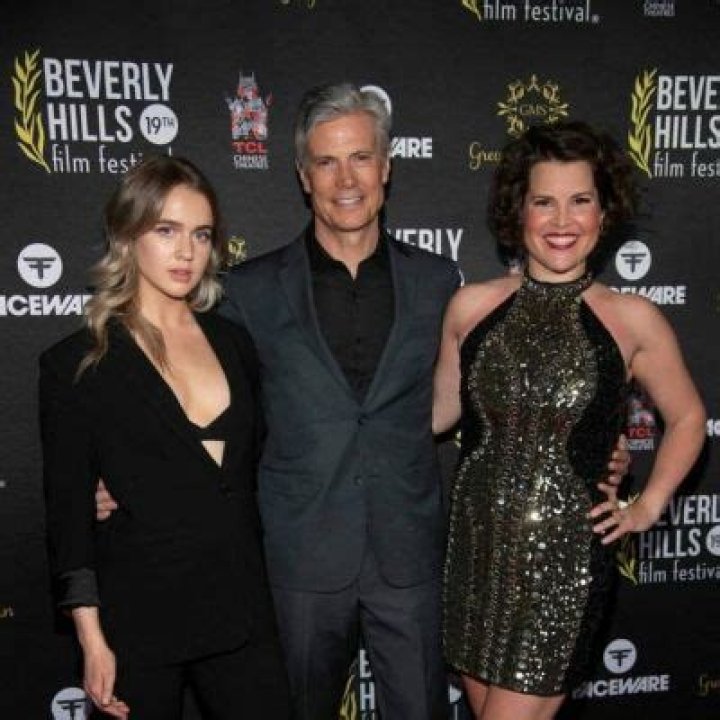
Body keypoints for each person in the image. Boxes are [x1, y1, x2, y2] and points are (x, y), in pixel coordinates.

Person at [97, 88, 630, 719]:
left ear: (387, 167)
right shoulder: (249, 290)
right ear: (303, 175)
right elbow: (194, 392)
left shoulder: (440, 283)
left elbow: (501, 388)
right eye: (326, 162)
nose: (346, 180)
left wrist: (595, 444)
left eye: (361, 158)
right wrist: (129, 471)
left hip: (412, 559)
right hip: (299, 561)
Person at [433, 121, 706, 720]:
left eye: (580, 200)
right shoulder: (470, 307)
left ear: (604, 213)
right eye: (544, 202)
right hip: (474, 555)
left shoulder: (632, 318)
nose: (562, 221)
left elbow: (688, 417)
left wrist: (647, 505)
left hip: (563, 566)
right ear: (519, 212)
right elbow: (437, 413)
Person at [40, 156, 290, 719]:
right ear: (129, 236)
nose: (186, 252)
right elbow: (67, 523)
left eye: (201, 234)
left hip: (240, 609)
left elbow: (246, 470)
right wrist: (91, 640)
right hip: (139, 620)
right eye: (166, 230)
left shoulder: (234, 343)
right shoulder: (79, 363)